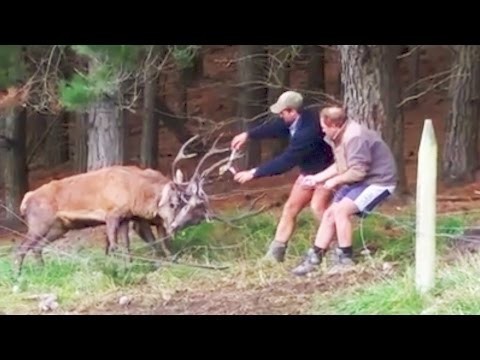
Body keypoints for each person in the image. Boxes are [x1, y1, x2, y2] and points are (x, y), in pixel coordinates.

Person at [291, 106, 398, 276]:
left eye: (324, 127)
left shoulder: (355, 137)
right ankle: (315, 257)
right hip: (361, 181)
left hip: (378, 181)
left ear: (334, 125)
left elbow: (357, 171)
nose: (323, 130)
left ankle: (345, 258)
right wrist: (317, 178)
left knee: (341, 211)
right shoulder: (339, 137)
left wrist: (334, 181)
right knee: (329, 214)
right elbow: (341, 165)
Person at [230, 90, 334, 262]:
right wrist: (248, 135)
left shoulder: (307, 132)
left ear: (292, 111)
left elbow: (286, 161)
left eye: (282, 112)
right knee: (290, 208)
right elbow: (276, 127)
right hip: (309, 172)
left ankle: (338, 249)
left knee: (318, 207)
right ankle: (276, 252)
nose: (280, 115)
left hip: (327, 172)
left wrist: (254, 173)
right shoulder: (297, 119)